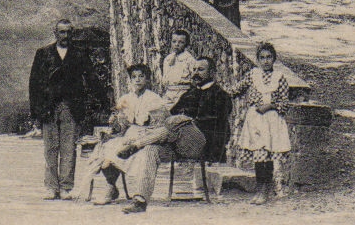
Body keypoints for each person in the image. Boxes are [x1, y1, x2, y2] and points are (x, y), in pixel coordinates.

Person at [85, 63, 173, 213]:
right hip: (129, 133)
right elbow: (122, 127)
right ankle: (111, 186)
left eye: (141, 77)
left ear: (147, 80)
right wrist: (116, 123)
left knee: (130, 150)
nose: (137, 80)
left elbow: (160, 125)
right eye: (134, 77)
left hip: (146, 135)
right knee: (107, 147)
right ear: (130, 80)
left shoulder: (154, 99)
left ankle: (140, 193)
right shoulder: (126, 98)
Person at [27, 19, 99, 200]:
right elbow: (34, 83)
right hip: (49, 107)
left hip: (71, 107)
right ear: (55, 33)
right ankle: (51, 187)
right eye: (62, 32)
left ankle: (66, 186)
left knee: (69, 148)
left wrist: (100, 102)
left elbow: (91, 79)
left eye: (68, 32)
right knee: (50, 148)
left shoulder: (79, 54)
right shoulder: (43, 54)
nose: (65, 36)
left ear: (72, 34)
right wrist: (36, 111)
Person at [230, 42, 294, 204]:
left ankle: (266, 190)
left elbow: (285, 103)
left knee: (268, 155)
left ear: (274, 59)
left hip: (272, 119)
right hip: (255, 120)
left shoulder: (279, 78)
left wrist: (270, 105)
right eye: (262, 58)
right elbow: (236, 89)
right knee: (259, 155)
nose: (266, 61)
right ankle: (259, 189)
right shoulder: (253, 75)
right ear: (257, 60)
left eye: (269, 58)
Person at [171, 57, 236, 163]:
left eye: (200, 69)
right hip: (186, 142)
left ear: (211, 72)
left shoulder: (220, 95)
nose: (196, 73)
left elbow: (217, 124)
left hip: (210, 147)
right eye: (194, 69)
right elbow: (173, 112)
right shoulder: (189, 94)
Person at [157, 28, 197, 105]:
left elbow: (194, 79)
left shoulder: (189, 59)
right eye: (174, 41)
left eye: (181, 42)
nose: (176, 44)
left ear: (186, 44)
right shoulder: (168, 59)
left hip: (183, 94)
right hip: (169, 93)